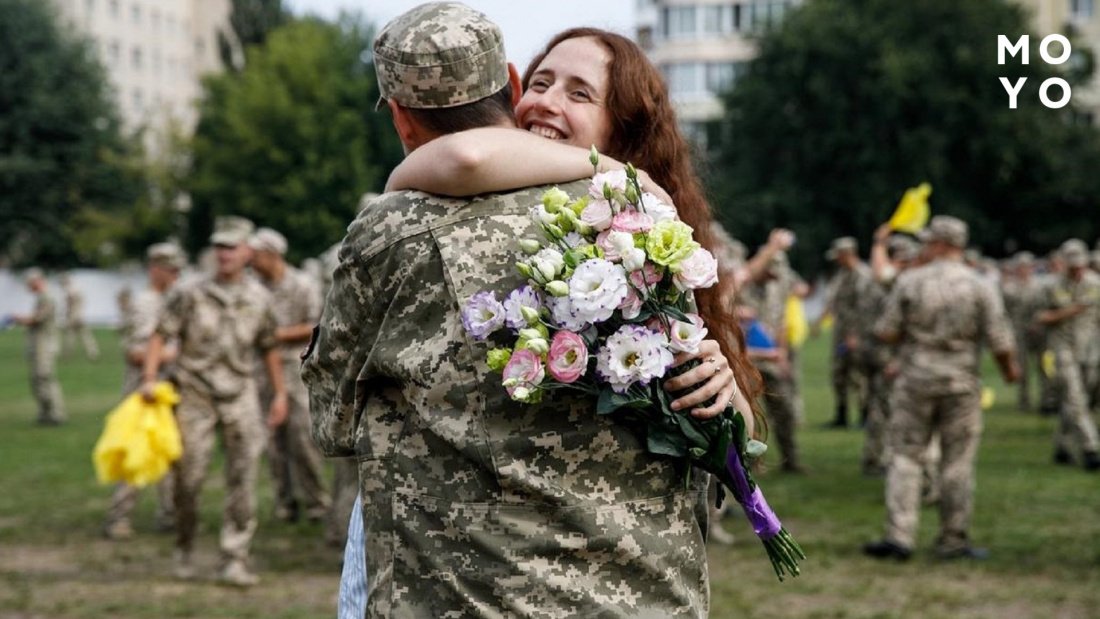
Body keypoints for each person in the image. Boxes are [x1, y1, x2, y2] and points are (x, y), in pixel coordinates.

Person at [303, 4, 750, 615]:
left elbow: (332, 421)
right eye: (541, 84)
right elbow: (466, 160)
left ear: (400, 117)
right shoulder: (636, 219)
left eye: (580, 93)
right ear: (513, 86)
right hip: (639, 592)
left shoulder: (632, 236)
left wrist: (727, 389)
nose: (547, 102)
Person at [141, 216, 288, 587]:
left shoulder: (260, 298)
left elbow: (269, 347)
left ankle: (234, 557)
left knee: (243, 477)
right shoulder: (189, 292)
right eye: (219, 246)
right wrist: (148, 379)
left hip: (240, 394)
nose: (223, 254)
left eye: (231, 247)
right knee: (188, 479)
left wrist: (280, 394)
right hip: (194, 393)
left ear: (248, 253)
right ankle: (185, 546)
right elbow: (159, 336)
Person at [863, 216, 1018, 561]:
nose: (925, 246)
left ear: (941, 244)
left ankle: (899, 536)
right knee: (957, 461)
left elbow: (886, 330)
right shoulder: (980, 285)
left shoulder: (911, 281)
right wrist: (1009, 372)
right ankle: (953, 538)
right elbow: (1000, 341)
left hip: (915, 378)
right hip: (961, 382)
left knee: (906, 456)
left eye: (929, 241)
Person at [103, 242, 186, 540]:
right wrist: (178, 353)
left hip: (173, 389)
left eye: (178, 269)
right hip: (145, 391)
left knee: (170, 452)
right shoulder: (144, 303)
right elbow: (136, 352)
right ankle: (119, 517)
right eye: (170, 269)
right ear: (154, 269)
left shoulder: (177, 298)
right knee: (136, 453)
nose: (176, 274)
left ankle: (169, 514)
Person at [248, 228, 331, 523]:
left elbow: (317, 324)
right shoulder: (253, 287)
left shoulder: (302, 285)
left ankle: (317, 501)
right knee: (272, 441)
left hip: (296, 369)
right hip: (262, 370)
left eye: (256, 255)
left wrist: (274, 335)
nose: (251, 261)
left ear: (272, 255)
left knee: (302, 436)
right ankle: (285, 502)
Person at [1036, 239, 1100, 471]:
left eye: (1080, 265)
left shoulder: (1096, 283)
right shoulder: (1050, 285)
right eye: (1072, 265)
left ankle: (1062, 445)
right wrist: (1070, 311)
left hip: (1090, 350)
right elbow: (1040, 317)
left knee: (1079, 401)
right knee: (1075, 397)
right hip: (1062, 349)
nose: (1077, 270)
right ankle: (1091, 448)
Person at [820, 236, 872, 429]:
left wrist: (855, 335)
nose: (837, 260)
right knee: (839, 374)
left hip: (856, 335)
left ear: (848, 254)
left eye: (839, 256)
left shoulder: (863, 275)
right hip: (840, 334)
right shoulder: (842, 274)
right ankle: (841, 415)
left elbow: (864, 309)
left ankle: (865, 416)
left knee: (859, 376)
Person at [12, 268, 66, 425]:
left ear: (37, 281)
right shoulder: (41, 298)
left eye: (29, 283)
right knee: (37, 379)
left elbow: (37, 319)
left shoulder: (47, 298)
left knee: (45, 377)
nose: (28, 286)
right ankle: (45, 413)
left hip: (45, 344)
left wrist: (17, 318)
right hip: (38, 345)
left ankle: (56, 413)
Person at [60, 273, 100, 361]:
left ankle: (67, 354)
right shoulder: (78, 289)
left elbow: (69, 303)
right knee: (86, 336)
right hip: (81, 315)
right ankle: (93, 353)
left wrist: (66, 313)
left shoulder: (69, 290)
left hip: (73, 316)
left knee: (70, 336)